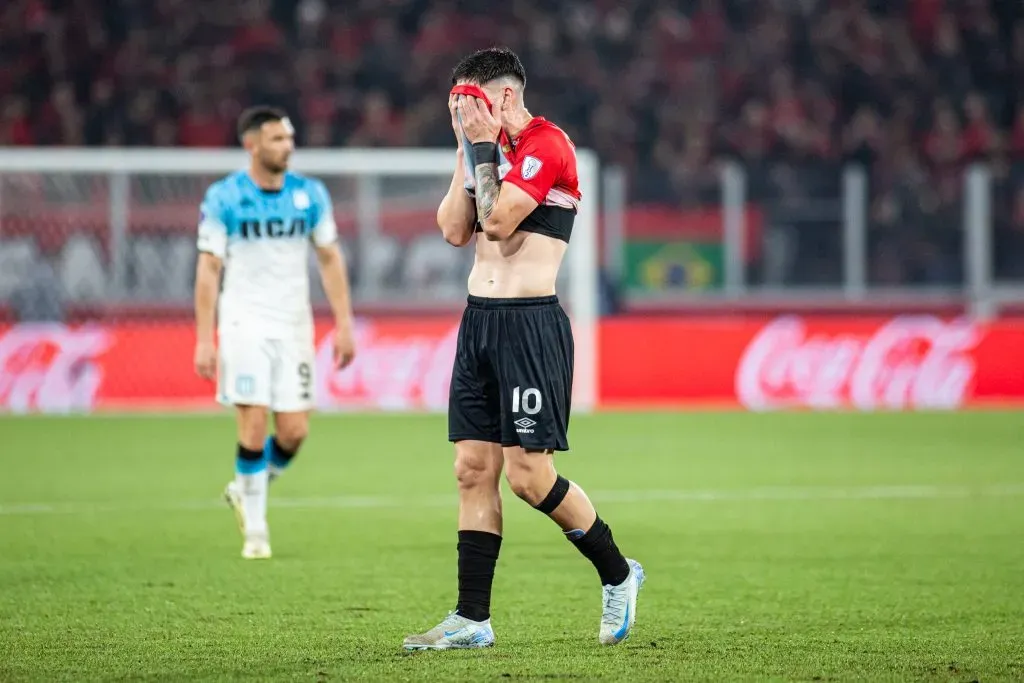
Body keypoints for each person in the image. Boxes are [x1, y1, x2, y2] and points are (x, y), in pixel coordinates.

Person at [403, 47, 644, 650]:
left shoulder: (547, 145)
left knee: (530, 478)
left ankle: (619, 572)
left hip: (530, 324)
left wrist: (482, 150)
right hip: (478, 320)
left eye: (469, 101)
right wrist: (468, 150)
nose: (460, 112)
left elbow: (501, 219)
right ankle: (472, 619)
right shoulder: (478, 150)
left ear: (504, 97)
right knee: (471, 469)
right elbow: (456, 230)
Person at [193, 106, 356, 559]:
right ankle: (257, 532)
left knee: (295, 431)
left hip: (294, 324)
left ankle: (247, 488)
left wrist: (344, 323)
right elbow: (209, 269)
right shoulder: (224, 197)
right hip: (244, 321)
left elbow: (329, 257)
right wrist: (204, 338)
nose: (288, 145)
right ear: (253, 145)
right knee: (252, 420)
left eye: (289, 137)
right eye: (278, 139)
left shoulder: (310, 194)